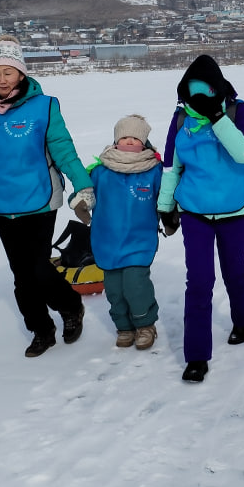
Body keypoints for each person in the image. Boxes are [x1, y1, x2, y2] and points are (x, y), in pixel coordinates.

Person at [0, 34, 95, 358]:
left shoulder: (44, 107)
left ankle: (70, 307)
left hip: (40, 197)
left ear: (21, 74)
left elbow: (64, 151)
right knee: (21, 276)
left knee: (38, 268)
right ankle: (41, 330)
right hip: (0, 204)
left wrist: (83, 186)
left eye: (8, 72)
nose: (1, 79)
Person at [156, 54, 244, 383]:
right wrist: (165, 204)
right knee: (198, 282)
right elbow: (172, 166)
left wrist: (217, 118)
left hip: (235, 210)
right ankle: (196, 355)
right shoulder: (180, 119)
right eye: (191, 92)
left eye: (204, 91)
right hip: (195, 212)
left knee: (234, 270)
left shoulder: (237, 111)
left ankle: (243, 319)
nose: (197, 98)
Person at [85, 114, 164, 350]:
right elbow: (84, 192)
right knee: (114, 291)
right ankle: (124, 327)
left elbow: (166, 197)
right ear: (116, 141)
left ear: (144, 142)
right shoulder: (100, 171)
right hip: (107, 241)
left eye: (135, 138)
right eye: (124, 137)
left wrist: (172, 214)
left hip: (139, 241)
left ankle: (145, 325)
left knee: (135, 285)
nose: (129, 141)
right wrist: (79, 199)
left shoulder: (153, 170)